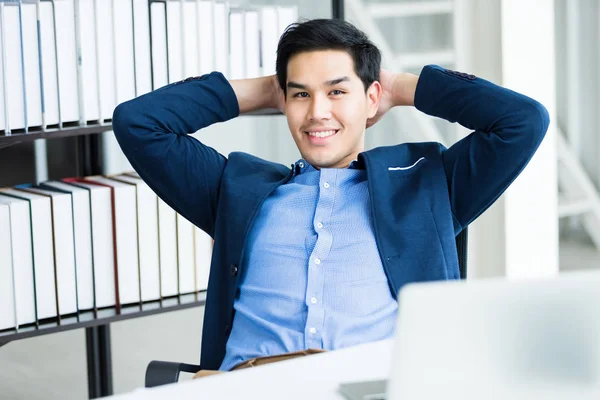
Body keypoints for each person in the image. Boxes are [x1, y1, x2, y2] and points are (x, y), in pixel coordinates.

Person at [112, 18, 549, 374]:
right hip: (249, 386)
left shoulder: (427, 185)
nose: (317, 111)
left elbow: (522, 121)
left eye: (338, 91)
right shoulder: (237, 190)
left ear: (371, 97)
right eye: (302, 94)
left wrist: (398, 87)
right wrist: (269, 89)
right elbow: (138, 123)